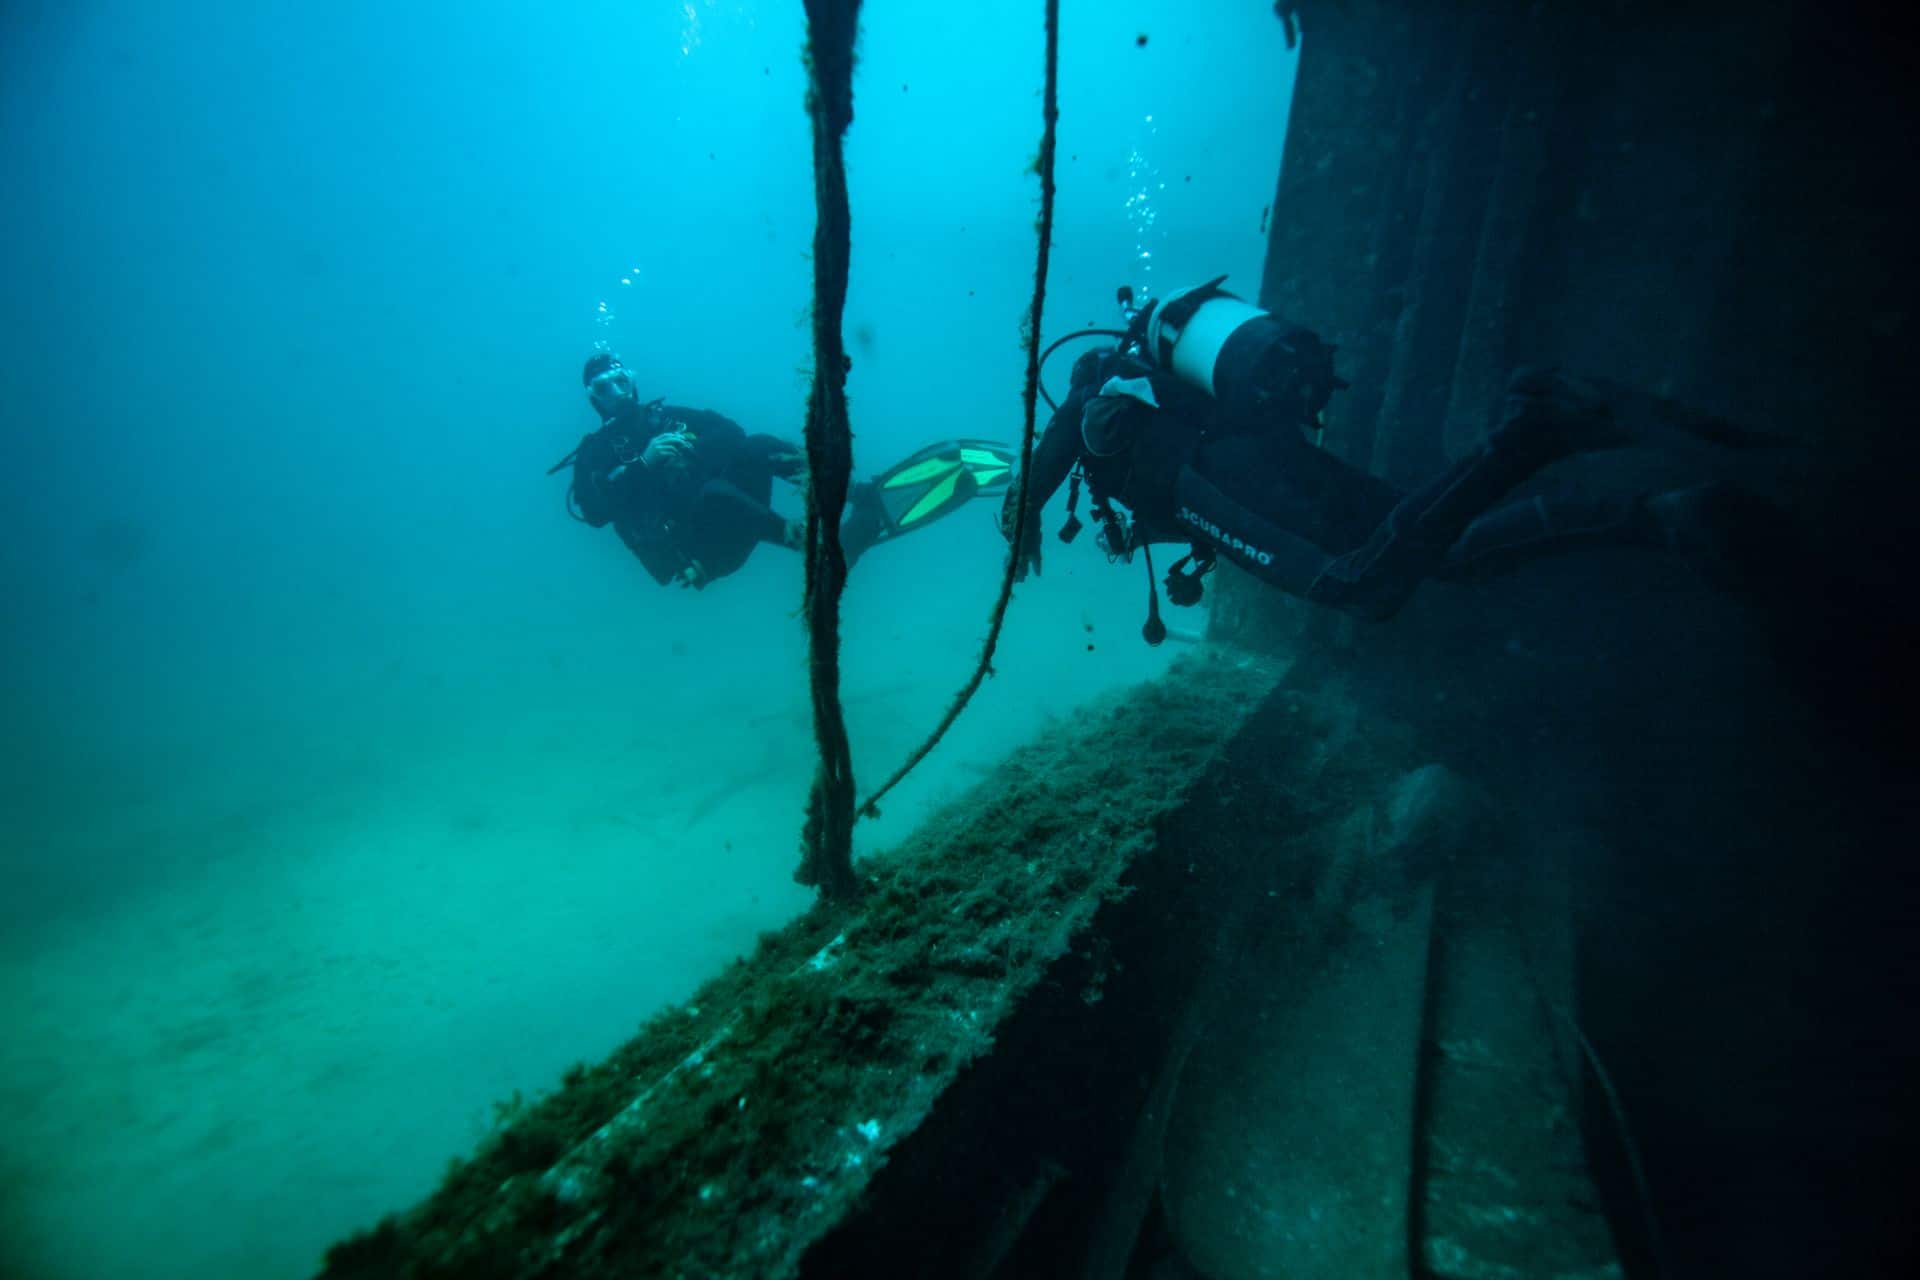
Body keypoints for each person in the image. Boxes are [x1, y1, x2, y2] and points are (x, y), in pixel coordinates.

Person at [1001, 278, 1788, 637]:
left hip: (1216, 474)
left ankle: (1534, 429)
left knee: (1363, 588)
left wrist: (1023, 509)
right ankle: (1656, 516)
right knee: (1448, 554)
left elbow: (1071, 424)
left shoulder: (1096, 389)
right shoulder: (1148, 381)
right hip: (1262, 456)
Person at [555, 352, 1016, 589]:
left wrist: (689, 451)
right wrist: (645, 463)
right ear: (594, 400)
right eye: (604, 388)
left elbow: (731, 432)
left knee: (757, 445)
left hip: (739, 514)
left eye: (620, 379)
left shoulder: (668, 418)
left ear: (632, 380)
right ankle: (818, 552)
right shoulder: (596, 453)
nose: (617, 392)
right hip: (699, 552)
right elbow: (594, 512)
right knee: (714, 494)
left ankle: (857, 494)